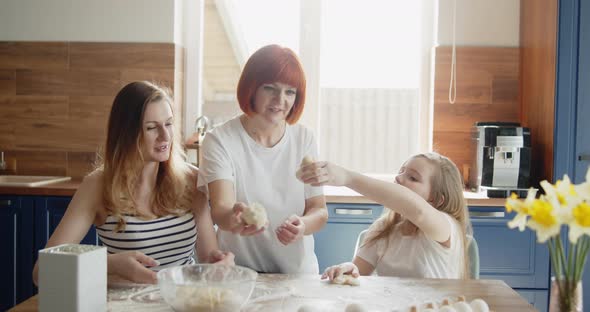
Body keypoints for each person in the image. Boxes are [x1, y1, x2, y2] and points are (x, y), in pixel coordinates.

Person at [32, 81, 234, 286]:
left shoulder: (192, 180)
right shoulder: (97, 185)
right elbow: (42, 271)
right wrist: (109, 264)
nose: (165, 136)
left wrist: (219, 265)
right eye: (151, 127)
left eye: (169, 123)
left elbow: (209, 259)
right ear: (126, 133)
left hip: (180, 302)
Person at [198, 44, 328, 274]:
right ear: (252, 88)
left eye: (290, 92)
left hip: (297, 276)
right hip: (240, 275)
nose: (280, 100)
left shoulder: (304, 138)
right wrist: (236, 219)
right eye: (270, 88)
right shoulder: (219, 140)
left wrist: (303, 226)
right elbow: (220, 209)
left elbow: (319, 210)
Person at [297, 152, 472, 280]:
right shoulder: (384, 229)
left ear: (436, 200)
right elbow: (358, 272)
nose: (399, 178)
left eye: (412, 178)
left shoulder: (447, 228)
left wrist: (348, 178)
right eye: (402, 171)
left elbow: (418, 211)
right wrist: (347, 269)